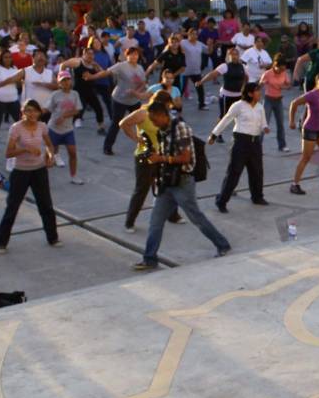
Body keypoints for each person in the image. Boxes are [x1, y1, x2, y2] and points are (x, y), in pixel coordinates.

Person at [132, 101, 230, 269]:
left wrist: (161, 158)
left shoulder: (180, 128)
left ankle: (222, 244)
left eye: (154, 119)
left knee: (196, 217)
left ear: (162, 115)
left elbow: (185, 157)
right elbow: (165, 153)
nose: (153, 123)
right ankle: (150, 258)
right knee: (155, 221)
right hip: (167, 183)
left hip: (183, 182)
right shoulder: (162, 130)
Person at [0, 100, 60, 252]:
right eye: (28, 111)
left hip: (39, 170)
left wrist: (50, 156)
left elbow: (49, 145)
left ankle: (53, 238)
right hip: (21, 172)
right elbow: (8, 153)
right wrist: (26, 149)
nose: (32, 114)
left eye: (35, 111)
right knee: (13, 206)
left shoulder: (42, 126)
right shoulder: (16, 128)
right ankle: (1, 242)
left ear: (39, 112)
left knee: (46, 205)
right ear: (23, 112)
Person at [118, 91, 182, 232]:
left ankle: (173, 215)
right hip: (145, 157)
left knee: (168, 185)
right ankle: (129, 222)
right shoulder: (143, 113)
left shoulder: (164, 115)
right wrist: (136, 138)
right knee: (142, 190)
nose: (168, 109)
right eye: (167, 106)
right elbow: (123, 124)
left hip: (162, 156)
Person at [210, 82, 270, 212]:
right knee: (234, 172)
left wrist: (265, 128)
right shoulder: (238, 106)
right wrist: (214, 135)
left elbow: (263, 123)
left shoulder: (260, 107)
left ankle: (257, 197)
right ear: (250, 93)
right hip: (241, 142)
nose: (259, 93)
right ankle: (221, 201)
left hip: (255, 142)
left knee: (257, 171)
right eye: (257, 91)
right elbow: (226, 119)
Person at [87, 46, 149, 155]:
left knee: (141, 122)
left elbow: (143, 83)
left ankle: (145, 145)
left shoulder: (140, 68)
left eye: (136, 54)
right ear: (126, 55)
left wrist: (136, 92)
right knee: (116, 123)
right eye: (131, 54)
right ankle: (107, 147)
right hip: (119, 100)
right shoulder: (121, 66)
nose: (134, 56)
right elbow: (106, 72)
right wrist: (92, 77)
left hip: (134, 101)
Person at [196, 47, 247, 143]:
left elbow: (246, 78)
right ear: (228, 56)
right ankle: (217, 134)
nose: (234, 56)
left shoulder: (243, 67)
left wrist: (244, 88)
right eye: (232, 54)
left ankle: (239, 135)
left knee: (240, 116)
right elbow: (212, 74)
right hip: (226, 96)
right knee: (224, 116)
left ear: (239, 56)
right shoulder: (225, 66)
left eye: (236, 54)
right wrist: (201, 81)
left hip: (239, 96)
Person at [48, 70, 86, 184]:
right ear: (59, 83)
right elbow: (49, 109)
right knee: (49, 155)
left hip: (68, 129)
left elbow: (77, 110)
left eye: (68, 79)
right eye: (63, 80)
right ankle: (43, 179)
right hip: (54, 129)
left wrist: (64, 116)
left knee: (72, 153)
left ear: (71, 80)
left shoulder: (75, 94)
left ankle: (74, 176)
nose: (66, 82)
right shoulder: (55, 95)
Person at [259, 53, 292, 152]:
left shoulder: (284, 73)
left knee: (280, 123)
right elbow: (259, 86)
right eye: (280, 69)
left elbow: (289, 85)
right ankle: (257, 146)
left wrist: (283, 87)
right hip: (268, 99)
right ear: (275, 65)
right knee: (264, 123)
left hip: (278, 100)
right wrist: (261, 84)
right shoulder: (267, 74)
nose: (281, 71)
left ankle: (282, 145)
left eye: (283, 69)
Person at [0, 49, 23, 135]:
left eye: (10, 57)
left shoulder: (14, 68)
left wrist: (19, 81)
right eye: (5, 57)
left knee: (21, 122)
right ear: (1, 58)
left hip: (13, 100)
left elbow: (18, 84)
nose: (8, 59)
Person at [20, 49, 57, 113]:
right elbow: (12, 80)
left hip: (46, 110)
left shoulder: (50, 72)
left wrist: (43, 84)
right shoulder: (25, 71)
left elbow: (57, 87)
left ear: (46, 59)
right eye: (38, 55)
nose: (40, 57)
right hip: (30, 111)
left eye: (42, 55)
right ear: (33, 58)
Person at [179, 28, 207, 110]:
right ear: (188, 34)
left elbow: (208, 51)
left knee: (200, 88)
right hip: (185, 71)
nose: (194, 35)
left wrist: (211, 44)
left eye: (195, 34)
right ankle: (175, 107)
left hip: (196, 71)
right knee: (181, 90)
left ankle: (201, 105)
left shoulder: (200, 44)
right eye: (192, 34)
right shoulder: (183, 42)